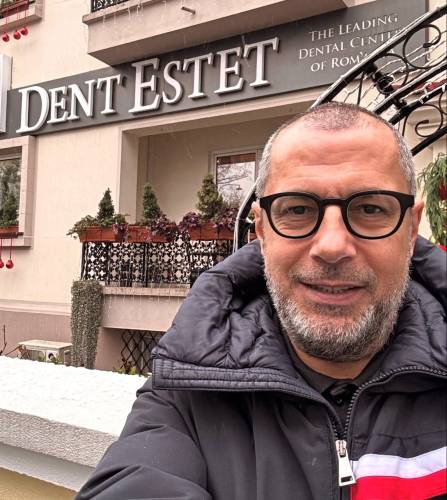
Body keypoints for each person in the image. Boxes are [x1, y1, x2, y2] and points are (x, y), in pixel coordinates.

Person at [77, 103, 446, 500]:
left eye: (371, 208)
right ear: (262, 231)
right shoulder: (188, 391)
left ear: (411, 229)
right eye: (298, 209)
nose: (332, 246)